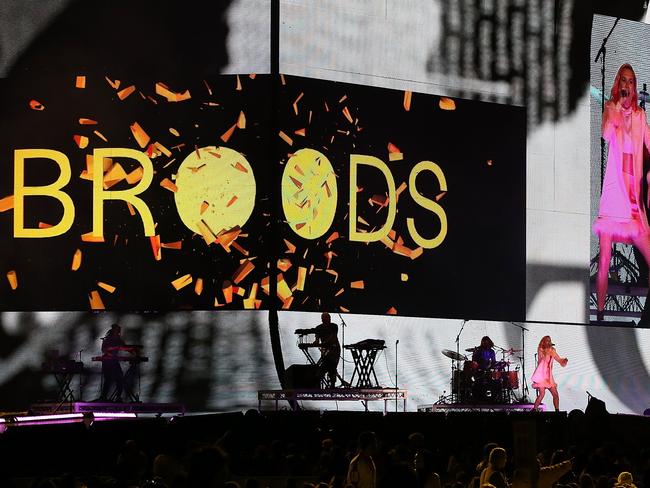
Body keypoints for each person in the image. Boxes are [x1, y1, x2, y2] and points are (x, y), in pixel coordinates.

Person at [594, 63, 650, 321]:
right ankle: (602, 314)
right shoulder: (611, 108)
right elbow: (606, 134)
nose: (628, 85)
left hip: (633, 200)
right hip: (615, 197)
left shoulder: (640, 116)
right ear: (619, 83)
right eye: (624, 80)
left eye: (632, 81)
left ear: (634, 86)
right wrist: (616, 108)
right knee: (605, 258)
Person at [531, 335, 568, 411]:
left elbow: (559, 359)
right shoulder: (541, 349)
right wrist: (548, 350)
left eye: (550, 340)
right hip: (541, 376)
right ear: (544, 342)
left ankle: (557, 411)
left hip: (549, 377)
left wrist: (563, 361)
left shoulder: (553, 350)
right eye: (547, 340)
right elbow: (542, 359)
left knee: (555, 395)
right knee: (542, 394)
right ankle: (534, 409)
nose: (549, 341)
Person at [99, 323, 125, 402]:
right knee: (108, 380)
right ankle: (103, 397)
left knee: (120, 379)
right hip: (107, 361)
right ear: (114, 330)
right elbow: (104, 349)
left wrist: (133, 351)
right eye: (118, 330)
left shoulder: (118, 338)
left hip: (114, 361)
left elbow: (124, 347)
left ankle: (118, 397)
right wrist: (113, 350)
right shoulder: (108, 338)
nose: (119, 331)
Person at [313, 312, 341, 388]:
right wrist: (316, 342)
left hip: (334, 349)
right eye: (324, 319)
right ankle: (319, 384)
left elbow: (333, 336)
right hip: (325, 350)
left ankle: (332, 385)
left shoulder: (334, 326)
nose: (325, 320)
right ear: (322, 319)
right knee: (325, 366)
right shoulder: (318, 328)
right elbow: (317, 339)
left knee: (332, 366)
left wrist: (324, 343)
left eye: (327, 318)